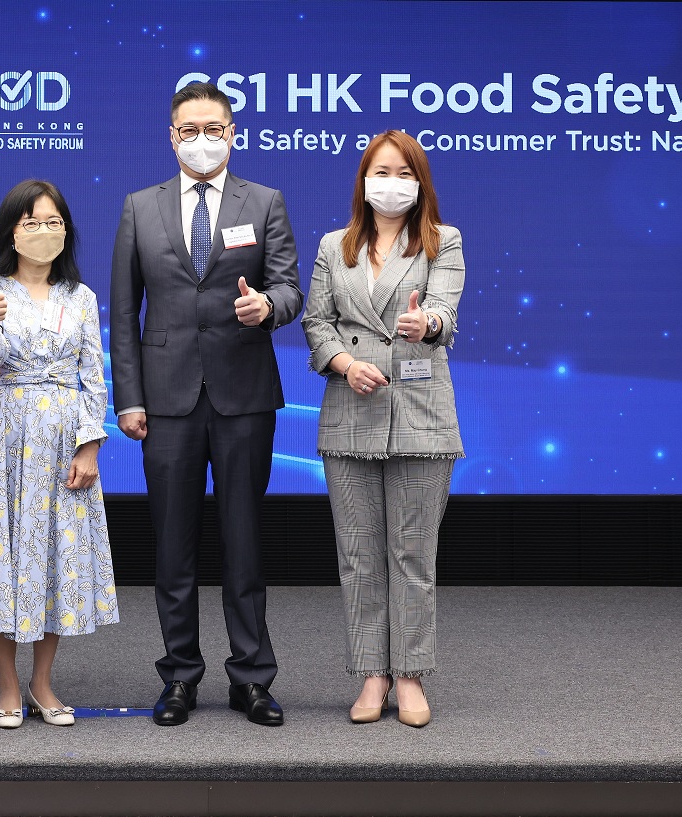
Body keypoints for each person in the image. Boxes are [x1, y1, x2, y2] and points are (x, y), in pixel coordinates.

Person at [110, 81, 303, 727]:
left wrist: (267, 307)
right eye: (189, 129)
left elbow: (290, 289)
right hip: (164, 400)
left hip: (244, 394)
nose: (201, 139)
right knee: (174, 547)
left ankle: (252, 677)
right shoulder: (141, 206)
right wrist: (129, 398)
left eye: (213, 128)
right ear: (172, 135)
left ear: (232, 132)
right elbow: (122, 314)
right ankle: (180, 677)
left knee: (245, 541)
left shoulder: (266, 201)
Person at [300, 130, 465, 728]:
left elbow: (445, 310)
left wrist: (427, 323)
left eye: (402, 172)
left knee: (413, 555)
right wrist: (344, 363)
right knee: (359, 555)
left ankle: (412, 676)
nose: (390, 182)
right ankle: (372, 674)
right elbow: (317, 323)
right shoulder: (332, 245)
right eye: (380, 171)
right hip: (349, 416)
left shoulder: (443, 241)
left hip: (421, 417)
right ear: (363, 181)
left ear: (418, 181)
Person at [0, 180, 118, 729]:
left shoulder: (82, 297)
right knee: (5, 553)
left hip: (66, 436)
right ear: (11, 232)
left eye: (52, 222)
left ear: (66, 230)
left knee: (56, 556)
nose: (43, 232)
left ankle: (43, 682)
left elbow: (94, 375)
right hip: (5, 435)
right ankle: (8, 685)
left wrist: (90, 447)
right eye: (31, 222)